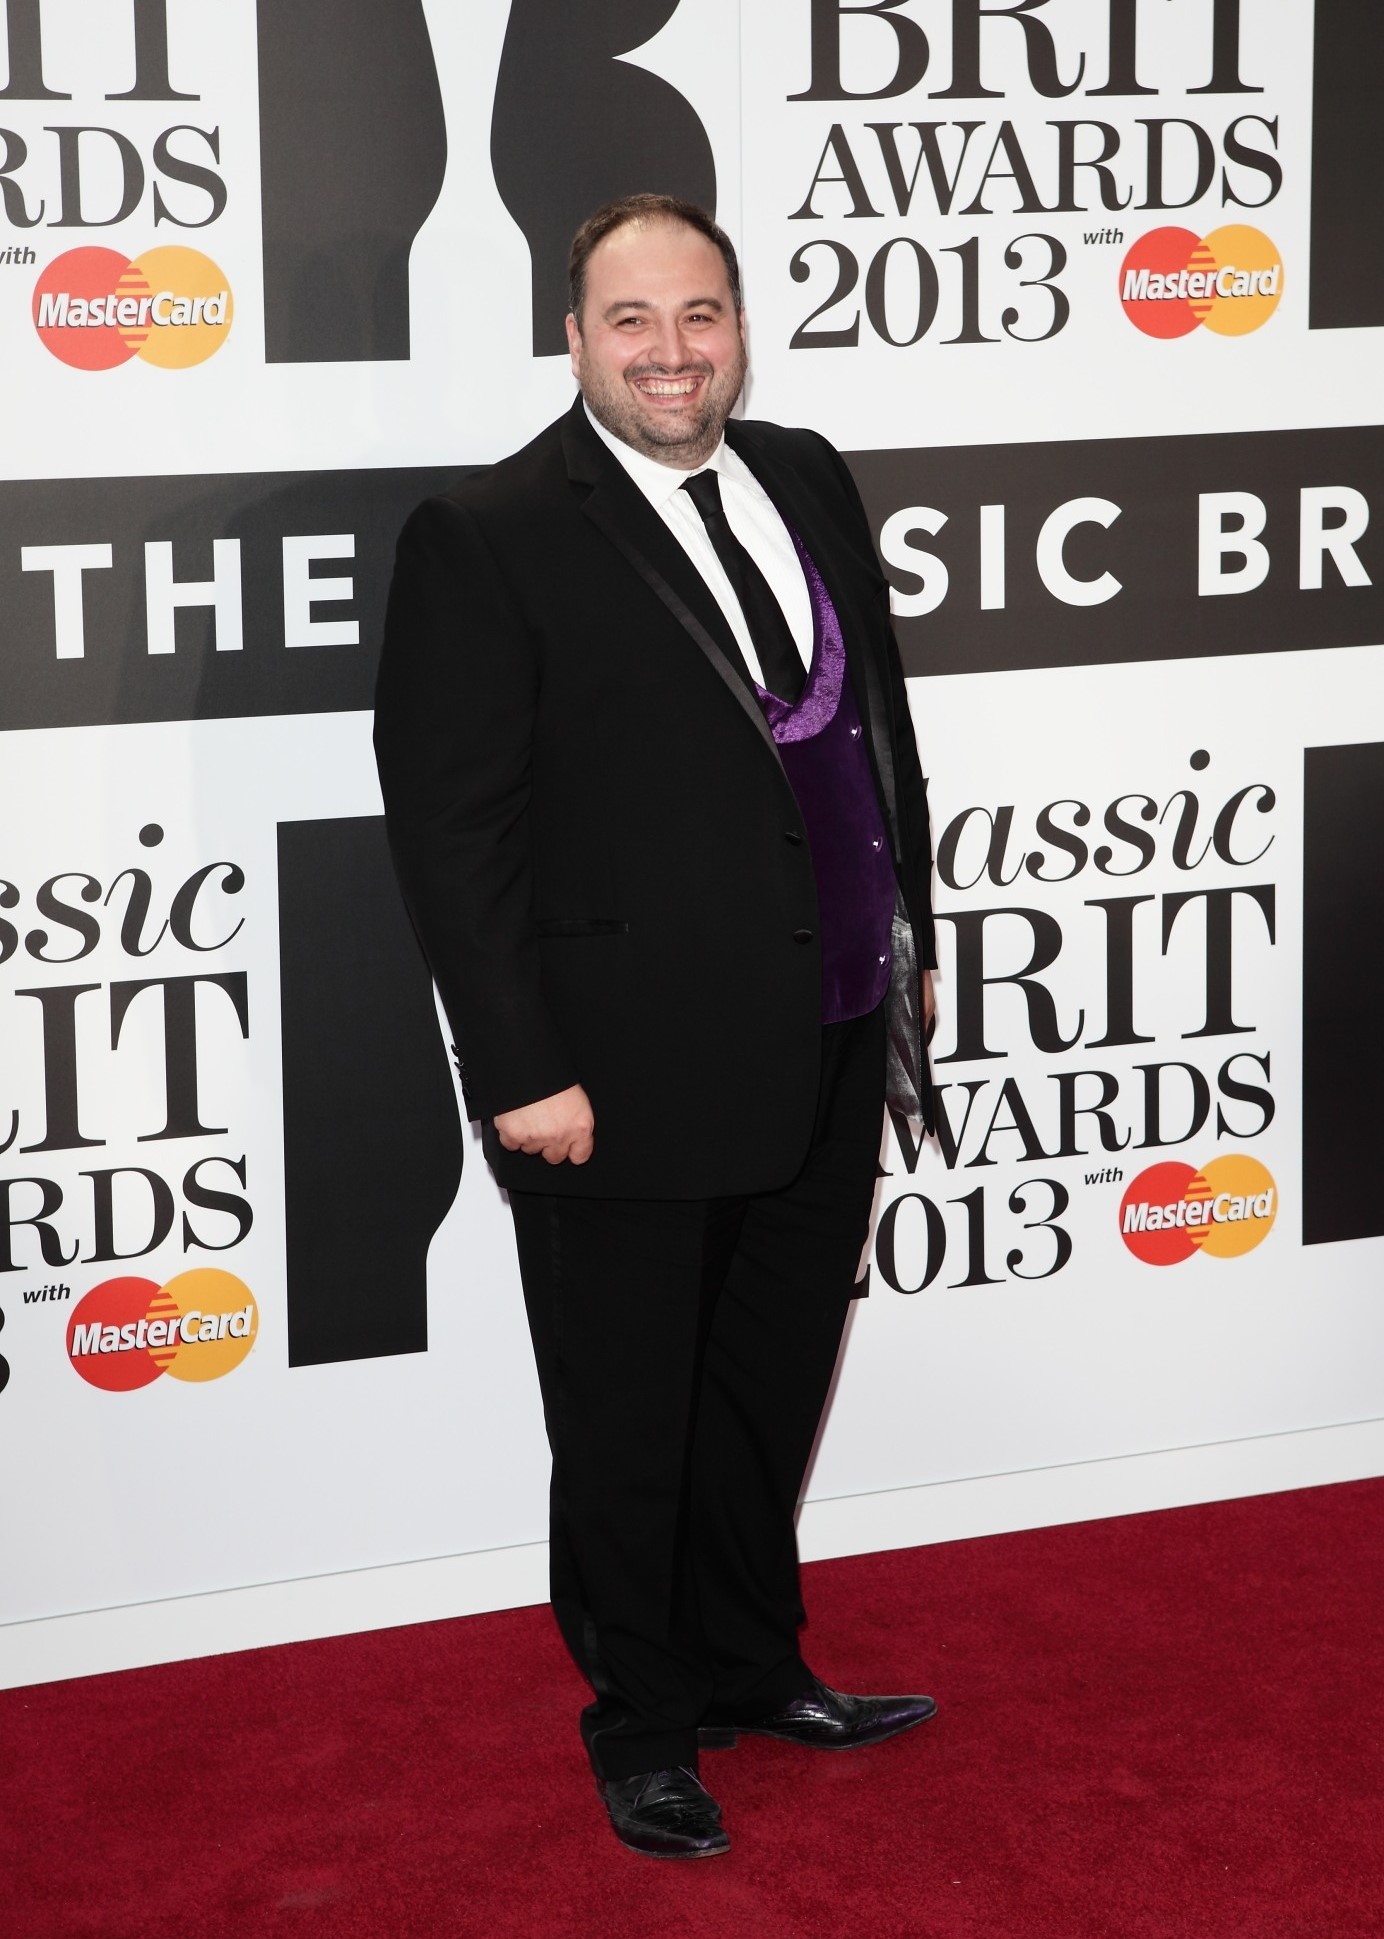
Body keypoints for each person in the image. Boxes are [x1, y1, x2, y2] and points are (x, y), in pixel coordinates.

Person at [373, 194, 939, 1860]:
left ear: (738, 325)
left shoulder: (811, 475)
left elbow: (874, 736)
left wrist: (904, 946)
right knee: (629, 1418)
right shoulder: (491, 534)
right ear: (575, 336)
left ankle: (758, 1666)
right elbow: (452, 832)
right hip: (611, 1073)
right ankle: (642, 1723)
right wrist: (518, 1066)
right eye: (634, 321)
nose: (673, 352)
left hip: (830, 1025)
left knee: (770, 1386)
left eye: (701, 314)